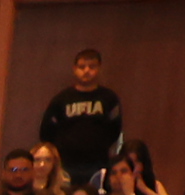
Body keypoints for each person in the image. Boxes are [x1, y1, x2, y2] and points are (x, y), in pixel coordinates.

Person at [39, 49, 123, 187]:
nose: (87, 71)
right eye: (82, 67)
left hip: (98, 162)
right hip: (66, 164)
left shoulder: (108, 98)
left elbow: (115, 128)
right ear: (74, 69)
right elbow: (46, 131)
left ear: (99, 69)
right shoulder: (61, 99)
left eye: (92, 66)